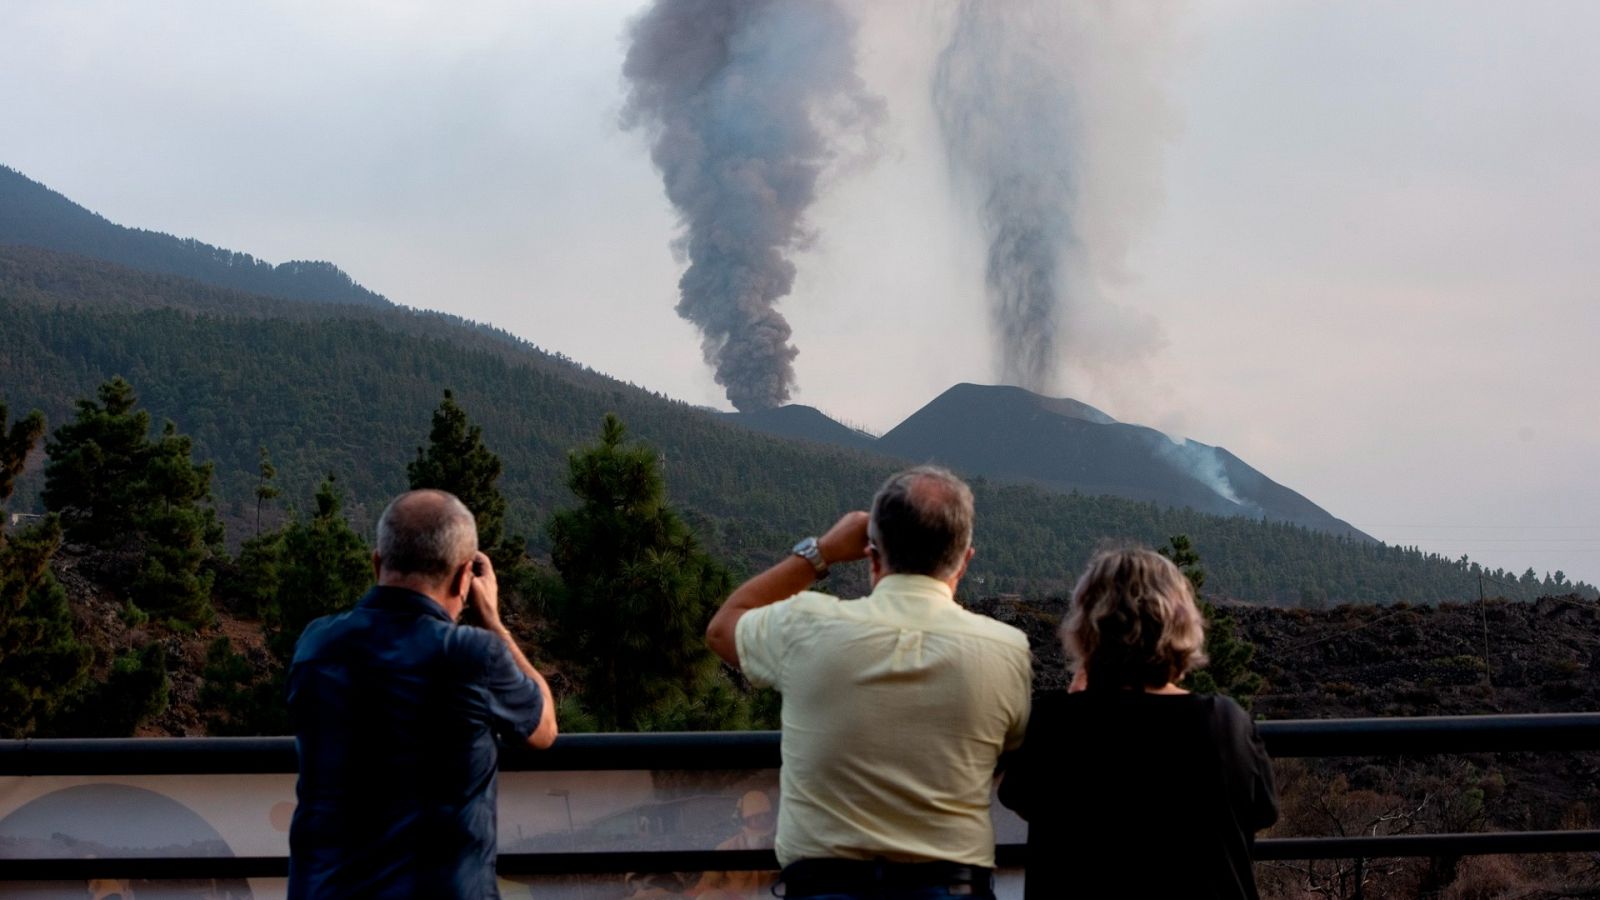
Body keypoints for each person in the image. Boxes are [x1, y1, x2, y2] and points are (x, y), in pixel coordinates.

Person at [706, 466, 1032, 900]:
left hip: (824, 887)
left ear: (871, 556)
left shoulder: (805, 626)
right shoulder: (1007, 650)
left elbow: (721, 629)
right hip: (953, 888)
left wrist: (819, 552)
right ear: (965, 560)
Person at [288, 489, 558, 899]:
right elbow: (543, 729)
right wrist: (494, 623)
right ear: (464, 577)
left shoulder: (316, 644)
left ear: (377, 562)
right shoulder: (472, 654)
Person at [998, 546, 1277, 899]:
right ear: (1181, 624)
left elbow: (1019, 797)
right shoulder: (1225, 723)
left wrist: (1074, 701)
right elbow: (1263, 810)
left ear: (1087, 628)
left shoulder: (1055, 723)